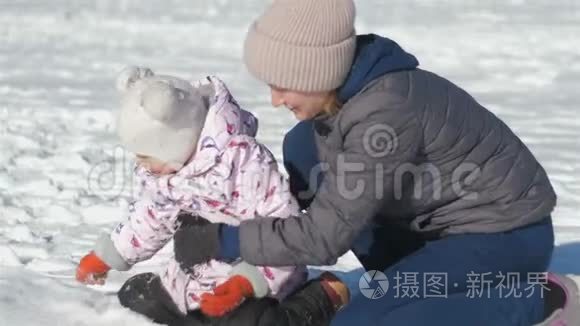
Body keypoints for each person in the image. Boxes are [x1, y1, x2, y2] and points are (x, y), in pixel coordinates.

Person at [172, 0, 580, 325]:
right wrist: (253, 264)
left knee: (368, 321)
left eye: (282, 85)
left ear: (317, 73)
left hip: (504, 237)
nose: (274, 100)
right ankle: (404, 289)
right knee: (303, 148)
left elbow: (324, 238)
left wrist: (224, 239)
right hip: (439, 230)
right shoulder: (336, 111)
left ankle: (538, 300)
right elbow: (319, 217)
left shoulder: (384, 114)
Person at [75, 66, 331, 323]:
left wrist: (246, 282)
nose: (139, 164)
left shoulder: (244, 165)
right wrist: (110, 255)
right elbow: (153, 216)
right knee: (134, 299)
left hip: (257, 280)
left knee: (251, 322)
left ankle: (322, 296)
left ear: (173, 144)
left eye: (144, 155)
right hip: (195, 281)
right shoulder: (171, 174)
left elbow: (284, 230)